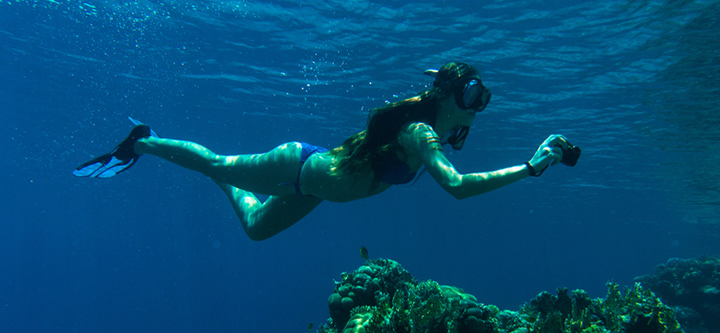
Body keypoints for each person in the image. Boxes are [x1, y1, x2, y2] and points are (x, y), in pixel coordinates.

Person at [74, 62, 573, 241]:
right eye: (471, 96)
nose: (478, 106)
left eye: (482, 98)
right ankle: (140, 140)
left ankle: (223, 180)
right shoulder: (421, 134)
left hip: (314, 186)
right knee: (215, 161)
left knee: (254, 231)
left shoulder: (430, 134)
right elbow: (458, 188)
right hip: (301, 165)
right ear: (445, 94)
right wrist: (530, 168)